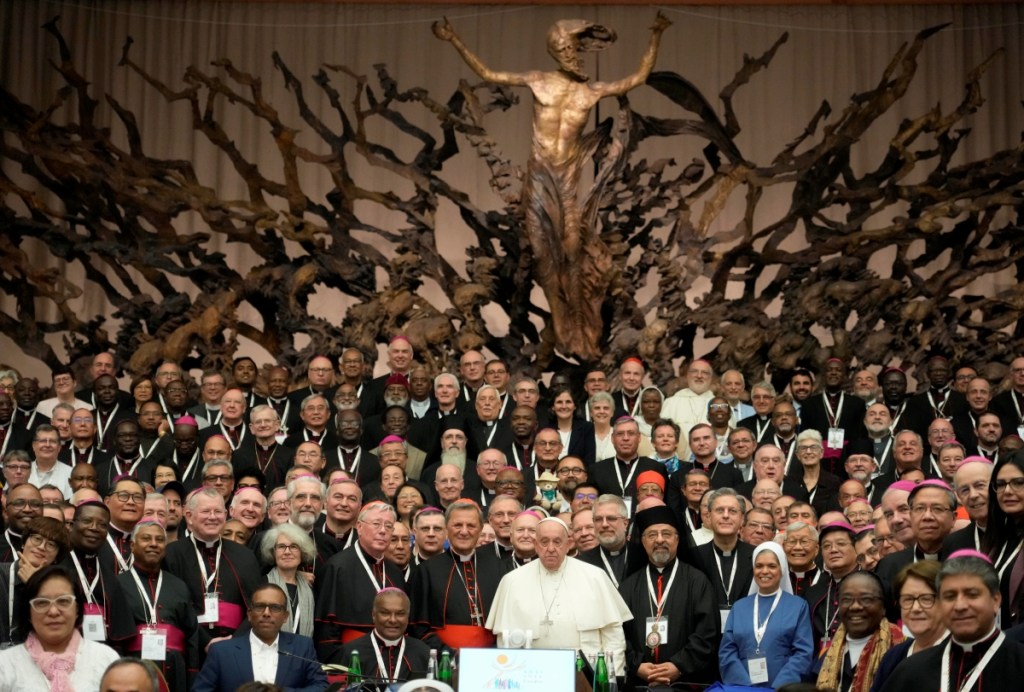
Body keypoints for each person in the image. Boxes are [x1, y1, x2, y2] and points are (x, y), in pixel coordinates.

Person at [433, 15, 672, 355]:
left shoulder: (591, 91)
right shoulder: (538, 81)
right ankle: (562, 321)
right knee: (543, 250)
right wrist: (454, 38)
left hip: (568, 179)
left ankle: (581, 324)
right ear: (556, 52)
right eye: (564, 48)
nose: (571, 53)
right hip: (541, 177)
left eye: (573, 47)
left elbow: (638, 77)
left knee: (573, 247)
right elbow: (488, 74)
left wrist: (657, 35)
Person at [486, 517, 632, 675]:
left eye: (557, 541)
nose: (550, 548)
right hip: (533, 674)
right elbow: (505, 640)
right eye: (544, 541)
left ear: (569, 544)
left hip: (587, 674)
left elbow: (613, 634)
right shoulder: (512, 581)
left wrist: (612, 677)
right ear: (535, 545)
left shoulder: (594, 576)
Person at [879, 550, 1024, 692]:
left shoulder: (1019, 663)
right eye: (950, 596)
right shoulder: (911, 670)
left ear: (996, 600)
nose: (960, 606)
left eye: (972, 595)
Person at [618, 505, 719, 687]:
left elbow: (707, 632)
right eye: (652, 535)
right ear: (642, 541)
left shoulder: (697, 581)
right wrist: (637, 665)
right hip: (640, 684)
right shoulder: (628, 586)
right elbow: (618, 633)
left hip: (685, 683)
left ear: (677, 539)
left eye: (666, 534)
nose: (659, 540)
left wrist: (678, 665)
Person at [408, 500, 510, 650]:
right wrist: (448, 655)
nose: (464, 531)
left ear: (480, 528)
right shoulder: (426, 570)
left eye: (471, 525)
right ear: (447, 528)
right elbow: (418, 626)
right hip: (444, 660)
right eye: (457, 525)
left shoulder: (500, 568)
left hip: (492, 658)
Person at [0, 564, 119, 691]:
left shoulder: (105, 658)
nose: (53, 611)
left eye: (63, 601)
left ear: (77, 609)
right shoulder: (5, 664)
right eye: (42, 603)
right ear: (28, 613)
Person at [193, 582, 328, 692]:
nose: (266, 613)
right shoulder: (221, 651)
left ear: (285, 616)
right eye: (260, 607)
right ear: (250, 614)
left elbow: (322, 687)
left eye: (275, 607)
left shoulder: (302, 647)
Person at [116, 520, 198, 692]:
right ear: (133, 545)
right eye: (146, 539)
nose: (154, 544)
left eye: (159, 540)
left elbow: (191, 633)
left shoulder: (179, 585)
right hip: (132, 668)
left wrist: (191, 673)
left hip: (175, 671)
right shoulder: (117, 584)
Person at [719, 541, 814, 687]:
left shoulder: (798, 606)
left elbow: (803, 653)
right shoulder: (739, 607)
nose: (764, 571)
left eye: (771, 566)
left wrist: (779, 688)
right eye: (759, 566)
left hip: (783, 689)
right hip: (742, 688)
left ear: (782, 569)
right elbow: (727, 652)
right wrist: (745, 687)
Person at [815, 572, 903, 692]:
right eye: (846, 599)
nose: (855, 606)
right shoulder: (825, 656)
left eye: (866, 599)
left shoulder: (901, 652)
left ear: (883, 607)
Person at [870, 560, 947, 692]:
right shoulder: (894, 656)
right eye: (908, 599)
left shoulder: (959, 655)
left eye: (926, 599)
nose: (915, 608)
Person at [335, 589, 431, 685]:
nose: (393, 620)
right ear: (373, 615)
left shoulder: (423, 651)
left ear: (407, 617)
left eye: (400, 614)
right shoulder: (349, 651)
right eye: (385, 613)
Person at [260, 523, 316, 638]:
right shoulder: (262, 585)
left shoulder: (311, 589)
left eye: (294, 547)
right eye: (281, 547)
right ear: (273, 552)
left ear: (302, 552)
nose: (287, 552)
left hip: (303, 653)